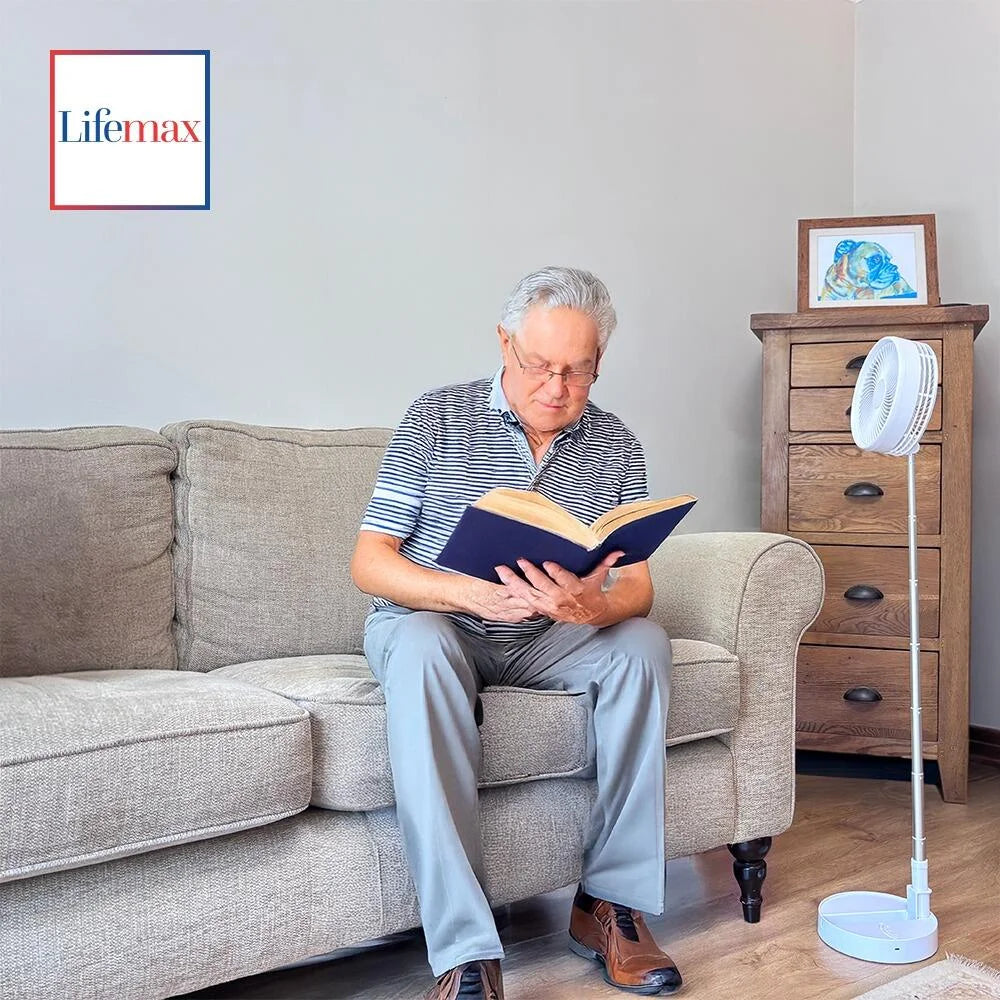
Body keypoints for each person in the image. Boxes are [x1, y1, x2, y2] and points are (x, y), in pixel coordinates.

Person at [350, 266, 681, 1000]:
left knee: (643, 647)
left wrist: (592, 608)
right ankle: (468, 953)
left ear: (599, 365)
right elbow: (370, 563)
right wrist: (471, 593)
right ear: (504, 344)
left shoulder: (617, 444)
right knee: (422, 648)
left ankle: (609, 907)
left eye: (578, 372)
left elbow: (638, 585)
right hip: (438, 624)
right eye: (538, 366)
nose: (557, 388)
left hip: (550, 634)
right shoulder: (435, 419)